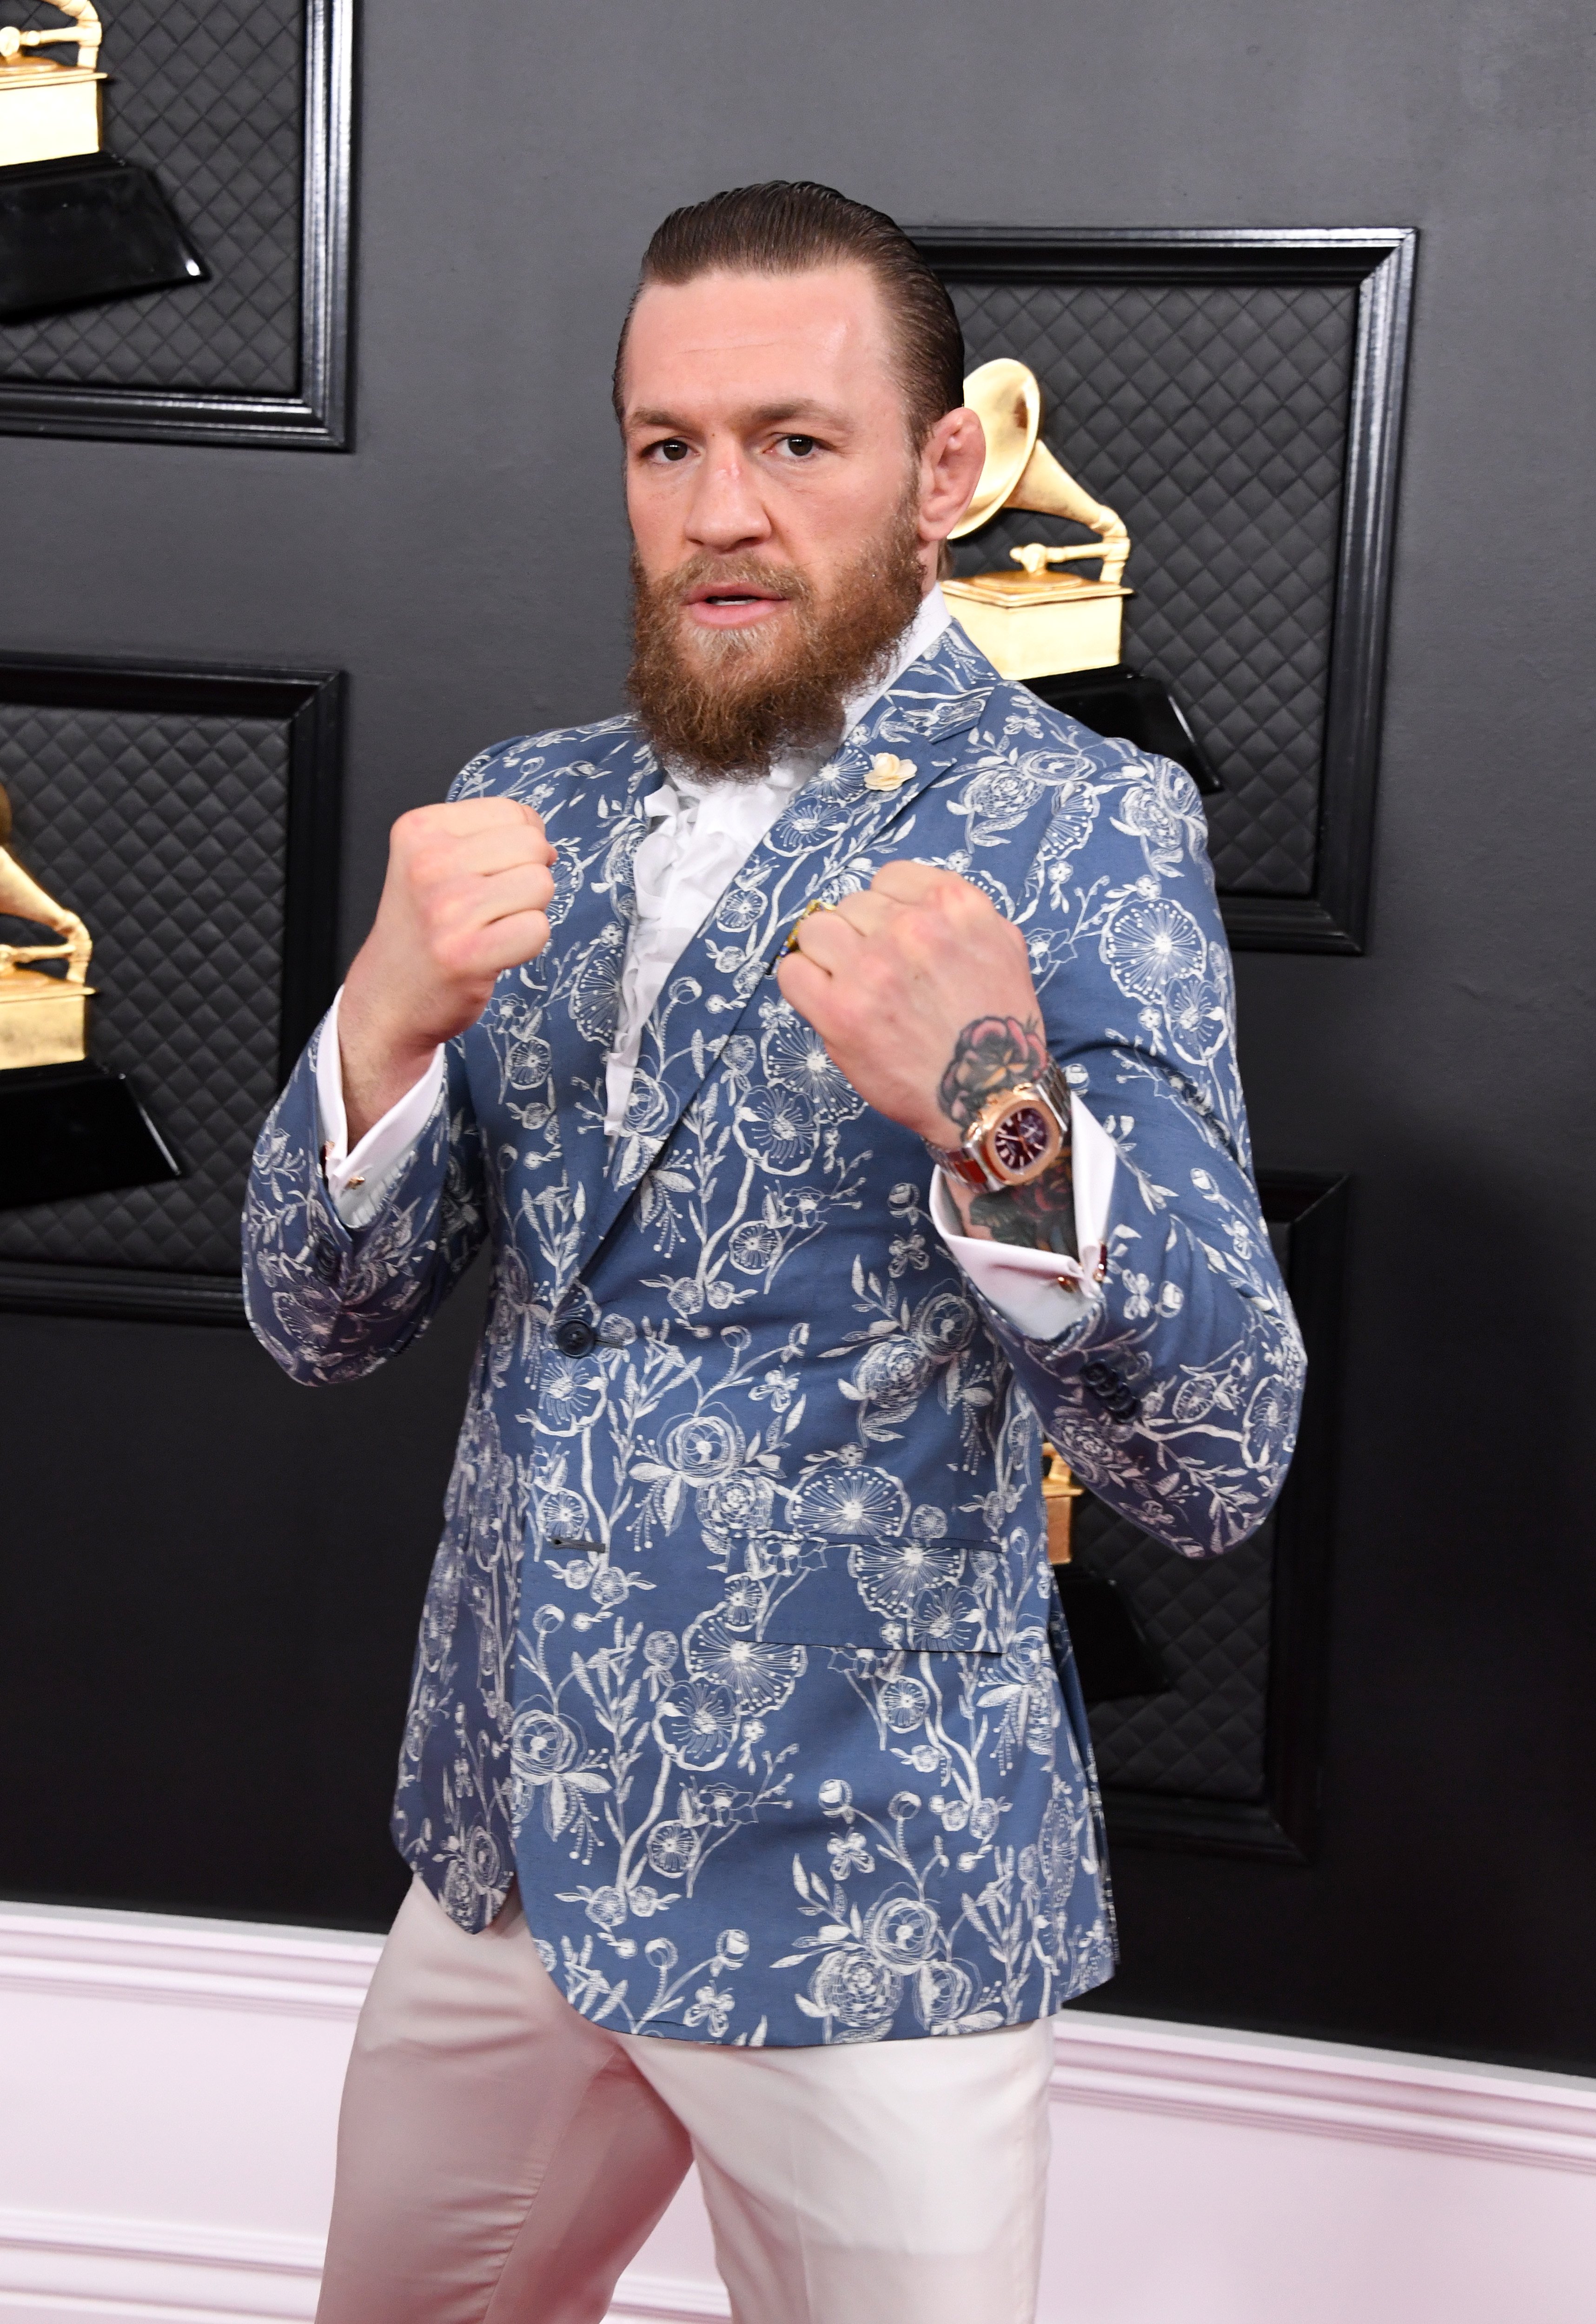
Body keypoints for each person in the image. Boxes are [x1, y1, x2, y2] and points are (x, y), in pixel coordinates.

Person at [244, 180, 1302, 2324]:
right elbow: (314, 1319)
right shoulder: (516, 809)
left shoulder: (1083, 825)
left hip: (864, 1894)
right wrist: (378, 1016)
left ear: (939, 475)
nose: (719, 510)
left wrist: (996, 1096)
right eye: (668, 446)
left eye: (793, 443)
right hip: (507, 1853)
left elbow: (1220, 1450)